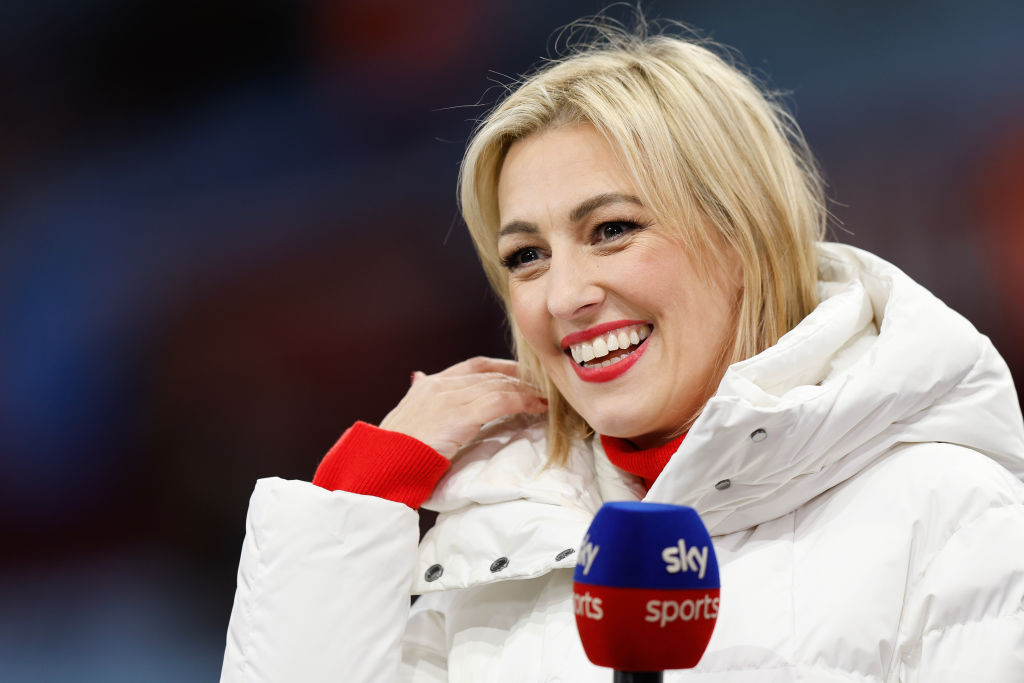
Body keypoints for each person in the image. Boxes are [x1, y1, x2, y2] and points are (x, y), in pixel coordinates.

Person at [220, 22, 1024, 683]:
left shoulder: (950, 509)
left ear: (742, 233)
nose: (563, 295)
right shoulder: (493, 531)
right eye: (526, 256)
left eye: (611, 230)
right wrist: (360, 499)